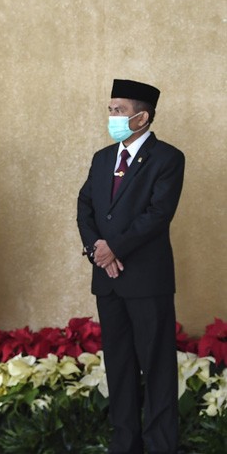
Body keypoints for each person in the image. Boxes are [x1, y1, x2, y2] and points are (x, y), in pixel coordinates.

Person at [77, 79, 184, 453]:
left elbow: (158, 213)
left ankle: (160, 445)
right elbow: (85, 206)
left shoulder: (168, 159)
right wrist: (96, 250)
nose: (112, 117)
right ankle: (125, 443)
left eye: (119, 111)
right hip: (108, 281)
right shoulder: (102, 158)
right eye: (110, 110)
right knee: (119, 366)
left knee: (156, 367)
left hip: (146, 280)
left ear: (142, 116)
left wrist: (115, 248)